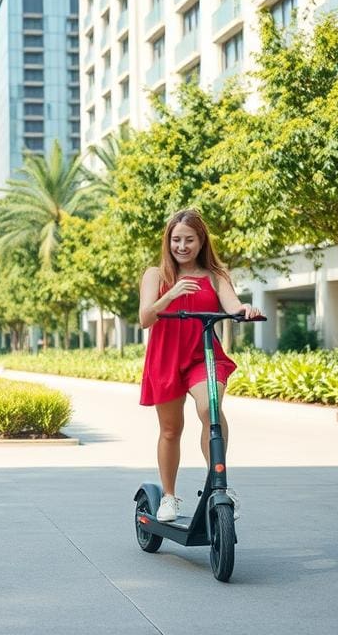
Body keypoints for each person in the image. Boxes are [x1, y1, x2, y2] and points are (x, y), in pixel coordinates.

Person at [138, 209, 261, 523]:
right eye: (176, 239)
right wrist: (172, 294)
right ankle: (168, 497)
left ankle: (219, 485)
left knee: (211, 410)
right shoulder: (155, 275)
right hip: (165, 358)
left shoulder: (216, 275)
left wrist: (244, 309)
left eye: (189, 240)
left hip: (202, 356)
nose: (182, 246)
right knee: (170, 429)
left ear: (201, 240)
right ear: (168, 241)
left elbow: (232, 304)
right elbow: (145, 319)